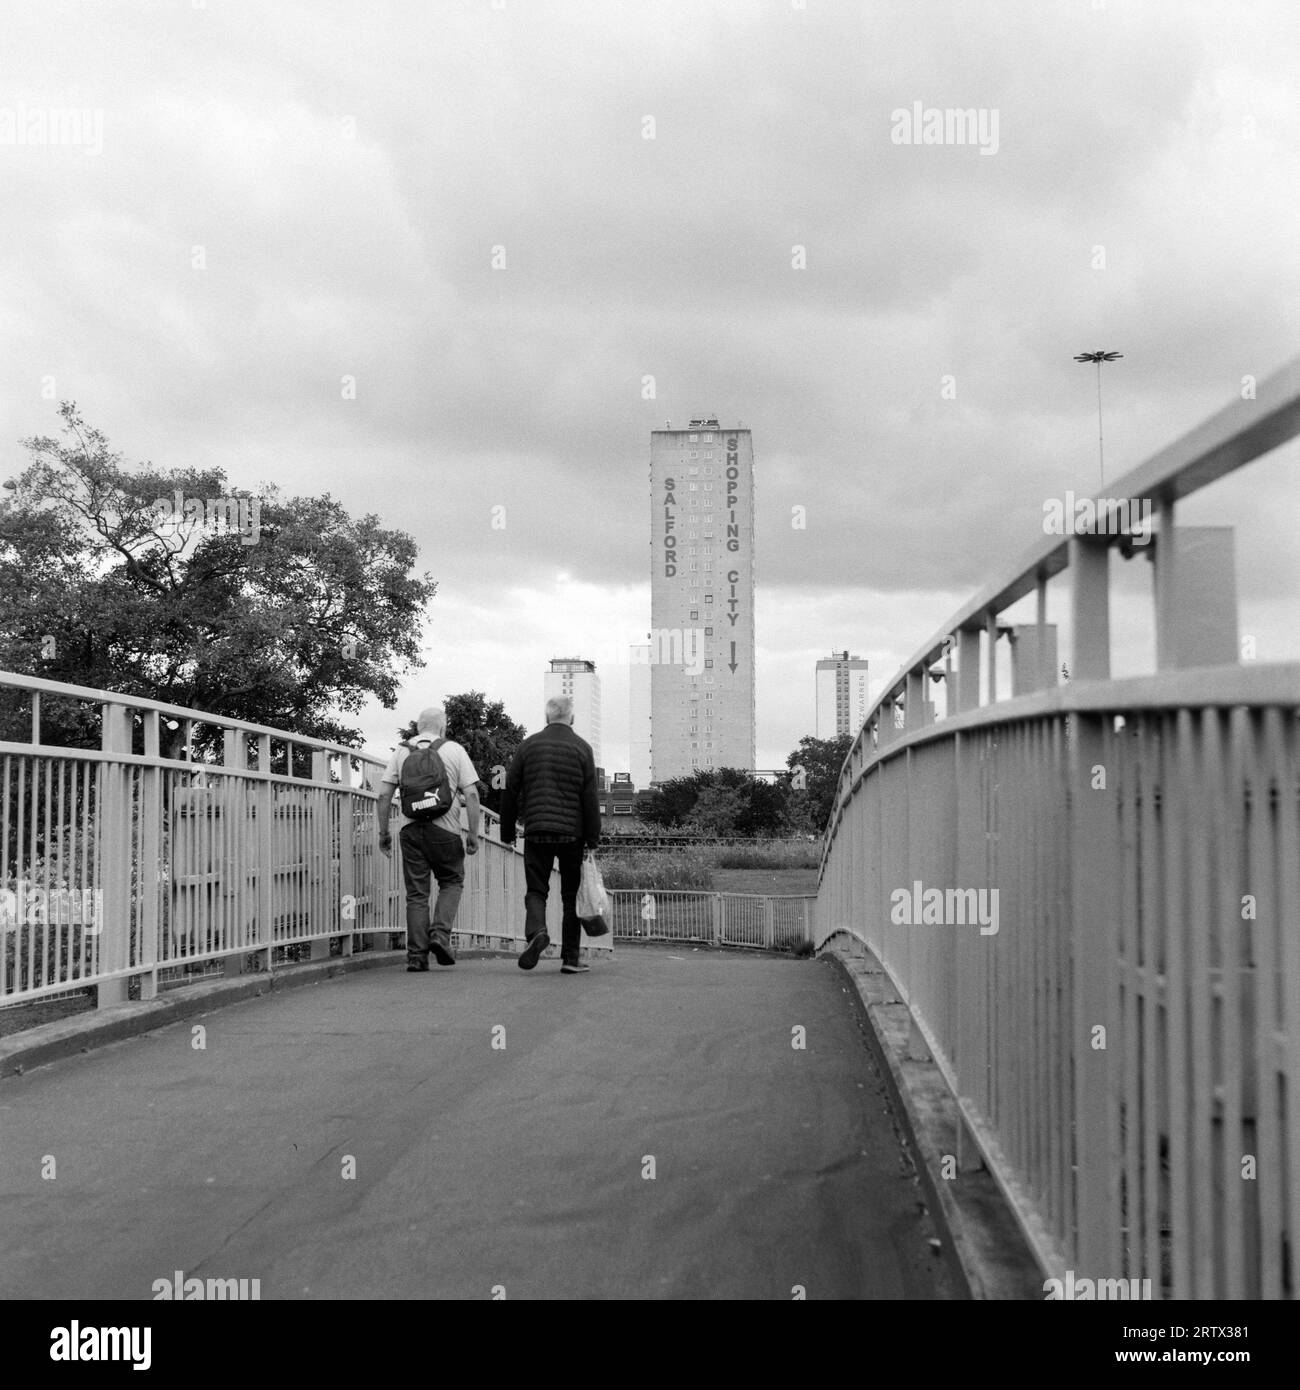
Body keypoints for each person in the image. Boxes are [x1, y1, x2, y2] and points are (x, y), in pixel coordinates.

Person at [498, 695, 601, 974]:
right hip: (571, 834)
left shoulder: (527, 746)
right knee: (570, 897)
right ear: (572, 717)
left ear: (546, 718)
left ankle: (538, 932)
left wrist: (506, 831)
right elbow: (590, 797)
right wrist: (593, 838)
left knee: (536, 890)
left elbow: (511, 790)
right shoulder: (582, 749)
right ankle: (570, 959)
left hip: (537, 830)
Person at [377, 705, 480, 971]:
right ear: (443, 727)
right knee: (452, 880)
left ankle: (416, 957)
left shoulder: (402, 751)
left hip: (410, 831)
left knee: (416, 894)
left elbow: (384, 795)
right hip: (445, 831)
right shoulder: (454, 750)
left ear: (418, 727)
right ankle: (440, 934)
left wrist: (384, 833)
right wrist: (473, 834)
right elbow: (471, 795)